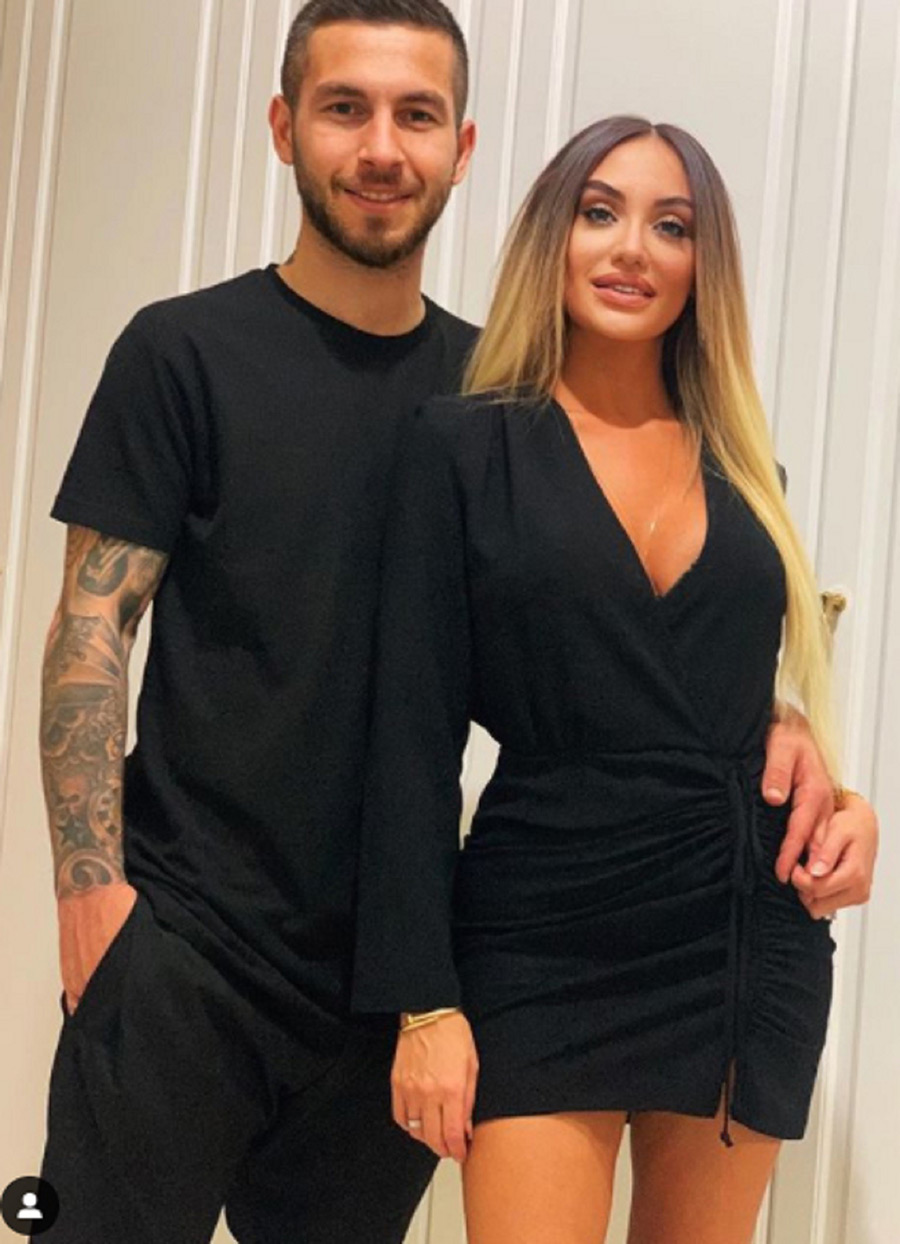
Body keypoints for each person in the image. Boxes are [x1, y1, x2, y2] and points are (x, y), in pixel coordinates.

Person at [350, 116, 879, 1244]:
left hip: (741, 933)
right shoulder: (461, 448)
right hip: (542, 929)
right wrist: (424, 1000)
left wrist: (845, 798)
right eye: (600, 213)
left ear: (703, 266)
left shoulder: (749, 470)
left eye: (671, 226)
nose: (633, 247)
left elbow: (736, 699)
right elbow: (408, 740)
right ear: (555, 236)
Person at [37, 3, 476, 1241]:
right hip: (180, 948)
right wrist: (93, 904)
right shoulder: (180, 352)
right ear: (284, 127)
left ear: (462, 147)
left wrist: (783, 726)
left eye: (416, 114)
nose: (380, 146)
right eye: (345, 108)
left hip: (388, 991)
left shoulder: (496, 399)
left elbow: (593, 637)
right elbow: (91, 629)